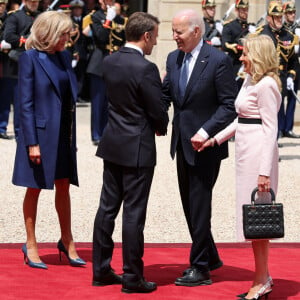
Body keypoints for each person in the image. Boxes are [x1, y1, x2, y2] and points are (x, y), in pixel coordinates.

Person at [200, 34, 281, 300]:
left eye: (246, 53)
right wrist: (215, 139)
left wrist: (265, 171)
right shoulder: (249, 80)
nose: (241, 57)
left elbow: (271, 130)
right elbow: (241, 119)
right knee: (252, 222)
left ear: (258, 55)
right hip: (245, 152)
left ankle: (261, 281)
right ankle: (262, 278)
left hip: (258, 154)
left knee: (259, 223)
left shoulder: (267, 85)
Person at [92, 11, 168, 293]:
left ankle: (100, 269)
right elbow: (155, 108)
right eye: (155, 37)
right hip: (137, 147)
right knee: (134, 213)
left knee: (107, 209)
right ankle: (132, 276)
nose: (155, 43)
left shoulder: (110, 61)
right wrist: (162, 123)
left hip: (113, 143)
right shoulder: (145, 68)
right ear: (145, 35)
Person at [162, 9, 237, 286]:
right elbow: (166, 95)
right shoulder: (173, 58)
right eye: (173, 31)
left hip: (205, 145)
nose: (174, 37)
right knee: (189, 205)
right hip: (181, 144)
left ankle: (201, 267)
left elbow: (229, 105)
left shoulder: (218, 60)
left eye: (179, 32)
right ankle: (211, 256)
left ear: (196, 31)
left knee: (200, 204)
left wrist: (205, 131)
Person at [12, 10, 86, 270]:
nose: (67, 39)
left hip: (63, 133)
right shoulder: (29, 58)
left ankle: (67, 241)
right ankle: (30, 244)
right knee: (34, 188)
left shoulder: (64, 56)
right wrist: (31, 142)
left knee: (63, 186)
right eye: (64, 34)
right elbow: (25, 104)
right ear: (49, 33)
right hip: (39, 136)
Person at [82, 0, 126, 145]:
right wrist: (108, 20)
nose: (111, 2)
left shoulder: (121, 19)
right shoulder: (95, 16)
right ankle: (96, 134)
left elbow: (125, 40)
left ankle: (109, 133)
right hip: (100, 63)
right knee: (98, 102)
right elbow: (100, 37)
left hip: (117, 63)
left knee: (113, 102)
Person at [254, 1, 299, 139]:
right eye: (276, 17)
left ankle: (275, 138)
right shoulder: (261, 34)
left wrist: (291, 76)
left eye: (281, 17)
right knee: (267, 112)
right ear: (269, 18)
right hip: (265, 79)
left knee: (277, 110)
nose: (280, 20)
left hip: (283, 78)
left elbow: (293, 61)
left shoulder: (289, 36)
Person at [3, 0, 41, 140]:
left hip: (37, 61)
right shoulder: (15, 16)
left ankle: (32, 130)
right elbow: (9, 36)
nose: (34, 3)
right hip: (19, 60)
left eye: (36, 1)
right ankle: (20, 132)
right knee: (21, 100)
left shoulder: (40, 16)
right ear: (25, 1)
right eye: (31, 1)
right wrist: (27, 40)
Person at [222, 0, 255, 89]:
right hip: (234, 64)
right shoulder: (229, 26)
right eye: (242, 10)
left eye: (246, 9)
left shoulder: (251, 27)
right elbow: (225, 45)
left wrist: (254, 35)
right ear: (237, 10)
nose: (245, 12)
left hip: (248, 66)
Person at [282, 1, 300, 138]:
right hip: (283, 68)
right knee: (280, 100)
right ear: (284, 14)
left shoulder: (298, 29)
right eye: (289, 13)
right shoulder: (281, 29)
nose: (292, 15)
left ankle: (288, 128)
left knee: (292, 100)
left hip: (295, 68)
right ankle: (280, 128)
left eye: (293, 12)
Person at [0, 0, 14, 140]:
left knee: (5, 96)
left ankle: (2, 127)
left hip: (6, 62)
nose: (1, 7)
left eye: (3, 5)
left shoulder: (10, 18)